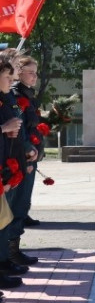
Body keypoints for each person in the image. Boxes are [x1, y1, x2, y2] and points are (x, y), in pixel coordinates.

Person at [6, 55, 44, 264]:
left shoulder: (28, 95)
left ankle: (14, 250)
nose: (35, 76)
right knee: (16, 206)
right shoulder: (15, 95)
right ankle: (9, 254)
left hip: (28, 156)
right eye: (30, 72)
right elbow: (19, 130)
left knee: (22, 205)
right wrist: (28, 154)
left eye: (36, 72)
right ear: (18, 73)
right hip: (21, 157)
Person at [0, 57, 28, 289]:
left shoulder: (7, 97)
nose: (12, 79)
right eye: (8, 76)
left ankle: (5, 260)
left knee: (5, 219)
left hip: (7, 163)